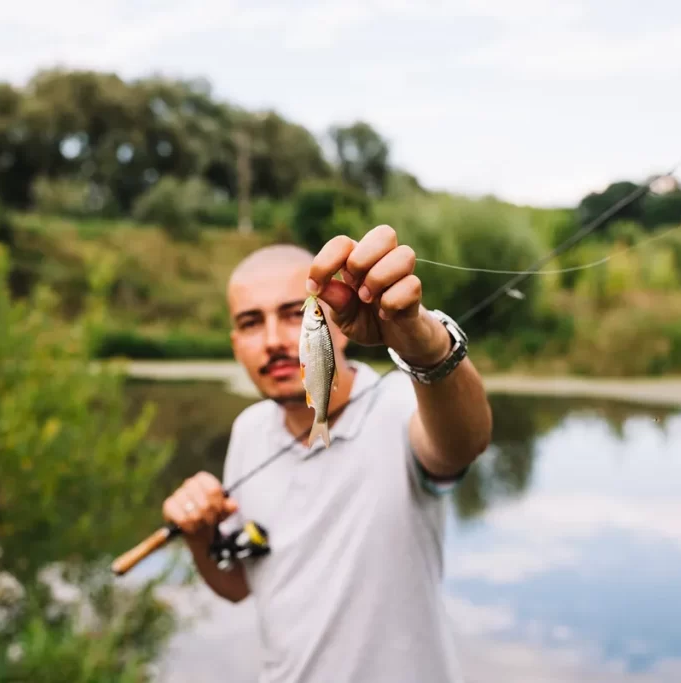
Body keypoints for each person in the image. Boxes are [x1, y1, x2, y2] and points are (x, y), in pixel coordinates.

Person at [161, 225, 494, 682]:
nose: (274, 339)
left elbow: (464, 442)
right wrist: (200, 536)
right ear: (235, 342)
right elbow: (241, 585)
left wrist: (424, 343)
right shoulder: (249, 430)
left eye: (296, 313)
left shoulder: (401, 402)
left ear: (340, 324)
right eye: (251, 322)